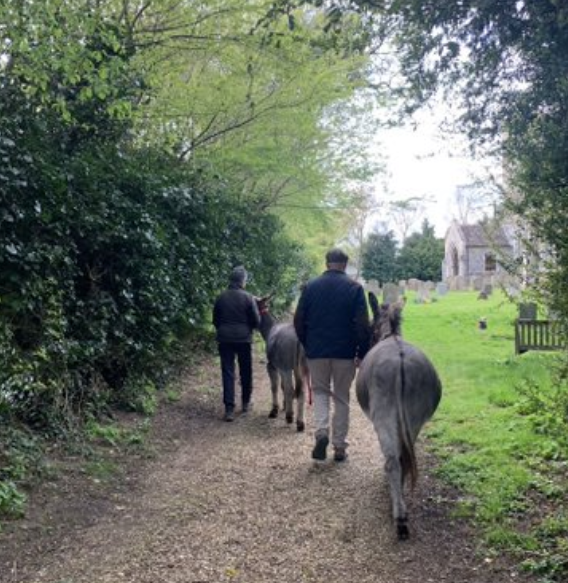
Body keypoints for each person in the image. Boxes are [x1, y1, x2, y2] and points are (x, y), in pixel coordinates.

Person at [294, 248, 370, 461]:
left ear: (326, 263)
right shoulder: (354, 288)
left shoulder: (310, 287)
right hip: (344, 352)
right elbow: (363, 324)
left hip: (316, 351)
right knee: (342, 398)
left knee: (320, 393)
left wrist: (307, 344)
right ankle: (339, 447)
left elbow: (298, 320)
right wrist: (361, 351)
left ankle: (321, 433)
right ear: (344, 265)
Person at [213, 266, 261, 422]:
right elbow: (256, 320)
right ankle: (245, 403)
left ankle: (229, 409)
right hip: (243, 339)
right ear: (242, 281)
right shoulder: (248, 298)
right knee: (245, 370)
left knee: (228, 372)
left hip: (225, 338)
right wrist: (248, 329)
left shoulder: (221, 297)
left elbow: (215, 320)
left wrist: (224, 329)